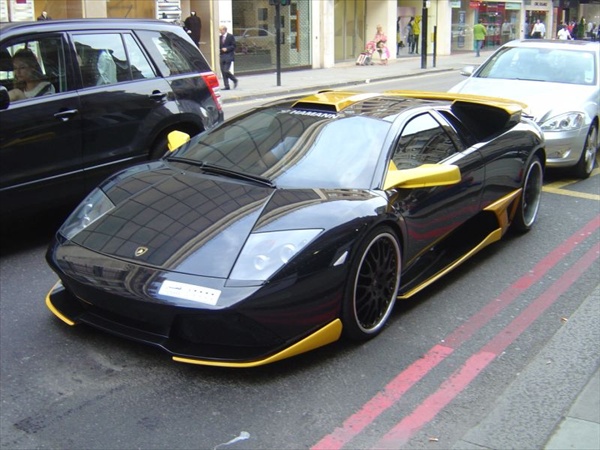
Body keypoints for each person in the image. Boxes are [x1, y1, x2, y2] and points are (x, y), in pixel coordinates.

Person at [219, 25, 238, 90]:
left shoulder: (230, 36)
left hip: (229, 55)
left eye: (221, 30)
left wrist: (227, 49)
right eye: (220, 30)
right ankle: (226, 86)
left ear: (224, 30)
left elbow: (234, 46)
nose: (220, 31)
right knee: (223, 71)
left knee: (226, 70)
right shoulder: (220, 37)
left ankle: (234, 79)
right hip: (222, 56)